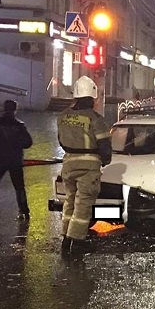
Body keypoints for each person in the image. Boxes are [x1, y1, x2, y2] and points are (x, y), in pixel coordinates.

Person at [57, 76, 112, 255]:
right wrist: (105, 160)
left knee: (70, 201)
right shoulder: (96, 119)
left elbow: (61, 141)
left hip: (68, 164)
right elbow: (104, 146)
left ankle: (66, 239)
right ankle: (78, 242)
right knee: (83, 204)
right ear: (92, 98)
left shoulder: (63, 116)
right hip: (89, 167)